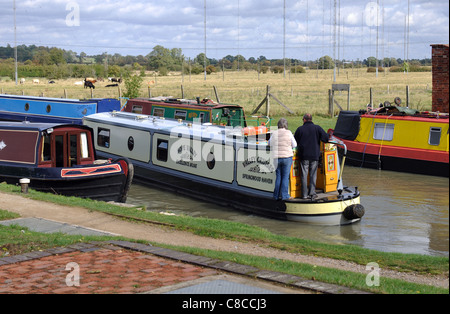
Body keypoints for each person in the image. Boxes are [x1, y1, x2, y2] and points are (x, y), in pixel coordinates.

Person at [294, 113, 329, 199]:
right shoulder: (317, 128)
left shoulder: (300, 129)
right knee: (313, 175)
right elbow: (326, 138)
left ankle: (304, 194)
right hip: (314, 156)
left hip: (304, 156)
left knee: (304, 175)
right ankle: (312, 193)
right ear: (311, 119)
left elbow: (294, 142)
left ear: (304, 120)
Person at [269, 118, 297, 201]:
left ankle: (276, 195)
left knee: (278, 176)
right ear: (286, 125)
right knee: (285, 177)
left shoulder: (274, 133)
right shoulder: (288, 133)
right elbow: (294, 144)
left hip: (276, 157)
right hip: (287, 157)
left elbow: (269, 143)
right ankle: (284, 196)